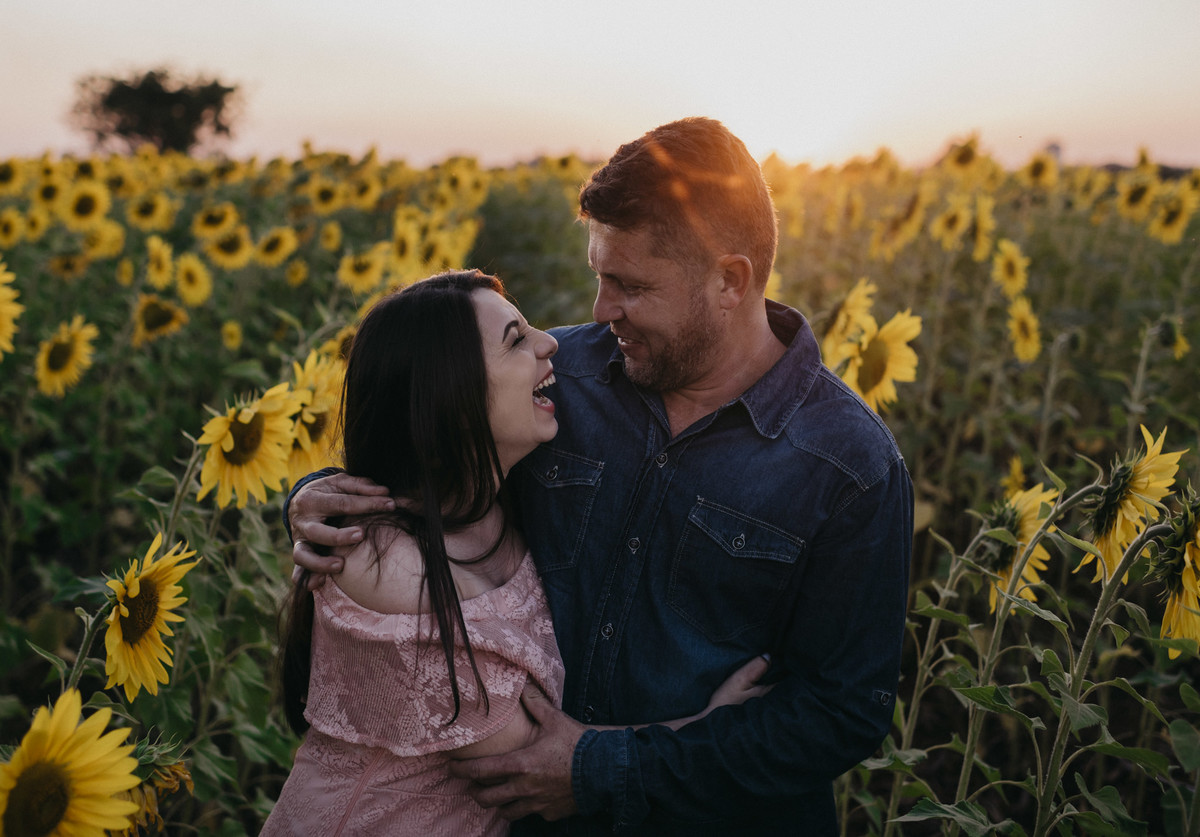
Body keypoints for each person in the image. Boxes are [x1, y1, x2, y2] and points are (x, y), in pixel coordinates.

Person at [288, 118, 912, 835]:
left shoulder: (849, 466)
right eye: (599, 276)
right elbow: (435, 465)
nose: (598, 310)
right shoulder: (562, 383)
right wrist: (322, 499)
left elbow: (840, 714)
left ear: (729, 281)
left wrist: (604, 767)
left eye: (630, 286)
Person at [267, 270, 768, 836]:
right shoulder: (383, 564)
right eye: (515, 339)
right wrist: (708, 724)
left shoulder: (510, 497)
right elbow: (530, 756)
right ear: (450, 397)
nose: (550, 343)